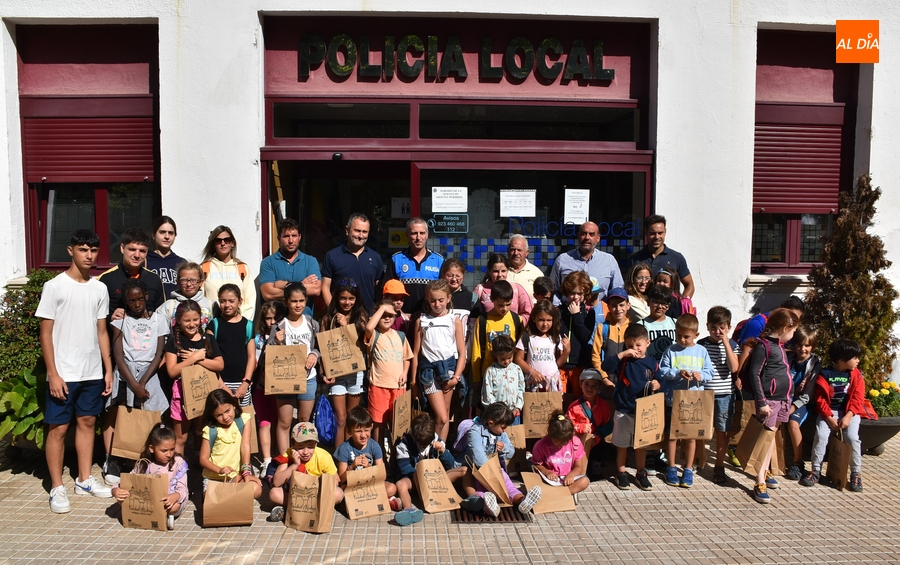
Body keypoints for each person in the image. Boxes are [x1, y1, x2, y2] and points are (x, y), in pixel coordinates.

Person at [37, 229, 114, 513]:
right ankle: (57, 487)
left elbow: (102, 331)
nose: (89, 255)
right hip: (64, 373)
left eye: (93, 250)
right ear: (71, 251)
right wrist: (53, 373)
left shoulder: (99, 288)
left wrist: (107, 369)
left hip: (92, 371)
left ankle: (84, 479)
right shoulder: (54, 286)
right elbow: (46, 334)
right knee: (58, 428)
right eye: (83, 249)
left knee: (88, 423)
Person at [102, 280, 168, 484]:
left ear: (147, 296)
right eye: (132, 300)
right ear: (126, 301)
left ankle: (144, 460)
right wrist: (134, 384)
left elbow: (159, 354)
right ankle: (113, 459)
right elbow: (119, 355)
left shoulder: (159, 320)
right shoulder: (120, 322)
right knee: (121, 413)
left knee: (149, 416)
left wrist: (143, 382)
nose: (137, 303)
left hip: (149, 373)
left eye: (140, 299)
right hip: (125, 374)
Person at [743, 308, 800, 503]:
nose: (793, 336)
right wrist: (762, 402)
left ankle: (764, 469)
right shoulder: (764, 347)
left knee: (771, 438)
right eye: (792, 332)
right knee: (764, 440)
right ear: (784, 328)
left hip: (782, 400)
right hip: (769, 402)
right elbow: (754, 374)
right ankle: (759, 481)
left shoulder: (779, 346)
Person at [800, 338, 866, 492]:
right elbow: (820, 399)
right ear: (842, 359)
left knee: (852, 438)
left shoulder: (856, 375)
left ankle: (856, 473)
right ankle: (815, 470)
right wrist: (829, 418)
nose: (858, 360)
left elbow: (858, 398)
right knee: (821, 436)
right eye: (854, 357)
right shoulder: (825, 374)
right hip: (828, 412)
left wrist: (848, 416)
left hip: (850, 412)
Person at [657, 314, 714, 488]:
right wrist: (676, 373)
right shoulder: (671, 350)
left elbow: (710, 373)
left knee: (690, 437)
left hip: (693, 401)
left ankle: (688, 468)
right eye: (679, 335)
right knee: (672, 436)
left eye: (686, 336)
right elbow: (662, 371)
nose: (682, 339)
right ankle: (671, 467)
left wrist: (700, 376)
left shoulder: (702, 351)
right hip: (673, 401)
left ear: (696, 335)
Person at [457, 402, 542, 517]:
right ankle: (488, 506)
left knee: (509, 486)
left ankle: (522, 501)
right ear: (491, 423)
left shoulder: (500, 432)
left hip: (496, 469)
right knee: (482, 488)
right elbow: (478, 458)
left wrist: (504, 448)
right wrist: (493, 475)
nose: (505, 430)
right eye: (503, 427)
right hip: (477, 471)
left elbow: (511, 452)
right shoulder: (475, 431)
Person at [602, 324, 660, 491]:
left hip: (643, 411)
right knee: (622, 444)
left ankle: (641, 473)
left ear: (647, 343)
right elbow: (606, 366)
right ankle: (621, 472)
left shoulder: (651, 363)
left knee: (641, 445)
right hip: (623, 410)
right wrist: (622, 354)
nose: (634, 349)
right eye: (629, 346)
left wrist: (658, 384)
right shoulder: (623, 361)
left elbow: (658, 379)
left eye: (638, 345)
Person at [164, 300, 225, 457]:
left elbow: (219, 365)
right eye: (187, 320)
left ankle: (202, 466)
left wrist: (198, 358)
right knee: (181, 437)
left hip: (205, 393)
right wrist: (191, 359)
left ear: (201, 319)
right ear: (178, 320)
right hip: (181, 396)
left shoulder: (208, 340)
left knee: (202, 433)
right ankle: (179, 472)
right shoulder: (173, 342)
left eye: (195, 319)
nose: (192, 324)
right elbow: (171, 371)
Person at [268, 283, 321, 454]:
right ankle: (285, 459)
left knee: (304, 420)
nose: (298, 305)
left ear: (306, 300)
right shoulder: (279, 325)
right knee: (285, 422)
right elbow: (269, 356)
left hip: (308, 378)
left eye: (301, 300)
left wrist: (314, 354)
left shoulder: (312, 324)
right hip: (286, 380)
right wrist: (275, 341)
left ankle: (304, 456)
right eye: (293, 301)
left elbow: (319, 346)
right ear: (285, 302)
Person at [410, 279, 466, 440]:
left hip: (448, 371)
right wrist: (413, 383)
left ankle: (439, 455)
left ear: (448, 298)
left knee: (444, 415)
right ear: (428, 299)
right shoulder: (422, 321)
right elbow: (416, 353)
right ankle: (433, 450)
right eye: (433, 300)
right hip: (428, 373)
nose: (437, 304)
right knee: (440, 417)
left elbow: (462, 353)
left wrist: (456, 378)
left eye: (441, 300)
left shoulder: (454, 321)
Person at [111, 425, 188, 530]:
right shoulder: (144, 464)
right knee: (122, 500)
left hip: (169, 501)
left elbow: (183, 489)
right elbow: (127, 480)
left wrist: (175, 496)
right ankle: (152, 515)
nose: (169, 454)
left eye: (172, 449)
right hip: (149, 501)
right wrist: (115, 490)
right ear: (151, 448)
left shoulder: (178, 463)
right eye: (164, 450)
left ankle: (156, 515)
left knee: (174, 507)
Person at [393, 413, 465, 524]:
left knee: (463, 470)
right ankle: (409, 511)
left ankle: (470, 498)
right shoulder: (404, 444)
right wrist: (420, 474)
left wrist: (443, 452)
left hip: (434, 479)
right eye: (422, 444)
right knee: (400, 484)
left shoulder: (435, 440)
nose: (424, 447)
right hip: (414, 480)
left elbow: (450, 465)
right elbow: (405, 469)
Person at [321, 278, 368, 445]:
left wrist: (347, 325)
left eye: (351, 299)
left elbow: (364, 344)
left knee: (351, 418)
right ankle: (339, 456)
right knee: (340, 418)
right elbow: (323, 348)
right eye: (343, 298)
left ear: (356, 299)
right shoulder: (328, 319)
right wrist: (324, 372)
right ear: (336, 298)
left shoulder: (361, 317)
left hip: (355, 372)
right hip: (337, 374)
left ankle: (351, 454)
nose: (347, 302)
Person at [697, 306, 740, 485]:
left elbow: (734, 367)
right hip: (704, 393)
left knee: (722, 431)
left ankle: (719, 465)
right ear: (707, 326)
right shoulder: (701, 344)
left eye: (722, 327)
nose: (718, 332)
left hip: (724, 395)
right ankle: (698, 459)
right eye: (714, 327)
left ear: (729, 327)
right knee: (699, 429)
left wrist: (726, 344)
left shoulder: (733, 345)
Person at [267, 422, 343, 523]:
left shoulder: (323, 456)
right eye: (301, 447)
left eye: (310, 447)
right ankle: (311, 510)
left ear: (316, 444)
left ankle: (291, 510)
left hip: (316, 494)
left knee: (338, 493)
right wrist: (295, 465)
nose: (306, 452)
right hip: (296, 495)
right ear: (293, 445)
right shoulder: (288, 454)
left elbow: (337, 480)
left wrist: (317, 484)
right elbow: (276, 482)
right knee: (274, 494)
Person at [333, 407, 400, 517]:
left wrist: (369, 467)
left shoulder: (374, 446)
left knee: (392, 487)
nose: (363, 435)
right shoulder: (344, 448)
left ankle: (369, 502)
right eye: (358, 431)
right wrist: (352, 466)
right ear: (349, 431)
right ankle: (385, 501)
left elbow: (381, 475)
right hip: (352, 486)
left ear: (371, 427)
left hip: (370, 484)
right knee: (343, 492)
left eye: (366, 430)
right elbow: (341, 478)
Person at [198, 390, 263, 500]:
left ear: (234, 405)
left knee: (256, 490)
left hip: (234, 476)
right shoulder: (210, 430)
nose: (225, 417)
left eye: (227, 411)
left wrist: (246, 472)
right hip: (213, 477)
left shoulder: (244, 420)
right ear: (212, 415)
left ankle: (229, 500)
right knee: (212, 499)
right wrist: (219, 470)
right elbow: (203, 459)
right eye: (219, 415)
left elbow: (245, 446)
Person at [364, 300, 413, 445]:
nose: (386, 318)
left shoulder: (400, 335)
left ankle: (395, 458)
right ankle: (379, 457)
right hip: (378, 386)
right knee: (378, 423)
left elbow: (407, 357)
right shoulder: (374, 335)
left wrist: (405, 372)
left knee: (398, 424)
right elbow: (368, 327)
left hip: (398, 387)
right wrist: (383, 307)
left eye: (390, 315)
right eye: (383, 315)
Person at [470, 281, 526, 405]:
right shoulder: (483, 320)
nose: (504, 309)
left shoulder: (517, 320)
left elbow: (520, 350)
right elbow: (476, 350)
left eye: (508, 304)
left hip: (511, 378)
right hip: (489, 378)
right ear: (492, 300)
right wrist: (476, 379)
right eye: (501, 305)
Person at [321, 213, 384, 314]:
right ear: (347, 230)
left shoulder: (375, 257)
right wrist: (334, 313)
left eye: (364, 232)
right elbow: (325, 287)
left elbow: (379, 291)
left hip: (368, 318)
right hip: (341, 318)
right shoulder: (332, 256)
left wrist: (376, 314)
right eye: (357, 231)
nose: (360, 236)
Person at [98, 228, 165, 321]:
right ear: (122, 248)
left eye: (142, 251)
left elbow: (162, 315)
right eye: (132, 249)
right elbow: (97, 317)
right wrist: (111, 317)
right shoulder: (106, 279)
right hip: (116, 334)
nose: (137, 255)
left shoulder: (154, 279)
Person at [251, 300, 286, 477]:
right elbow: (256, 362)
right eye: (268, 319)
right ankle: (266, 460)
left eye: (276, 318)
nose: (272, 323)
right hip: (261, 386)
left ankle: (277, 456)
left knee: (279, 422)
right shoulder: (258, 339)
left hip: (281, 387)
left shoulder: (289, 335)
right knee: (264, 422)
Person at [549, 221, 623, 303]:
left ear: (598, 238)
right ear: (578, 236)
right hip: (568, 312)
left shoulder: (609, 260)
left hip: (598, 313)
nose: (587, 237)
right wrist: (558, 309)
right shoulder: (562, 260)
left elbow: (618, 291)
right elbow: (554, 289)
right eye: (583, 234)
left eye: (591, 234)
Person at [259, 218, 319, 316]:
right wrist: (300, 285)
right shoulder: (268, 262)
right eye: (286, 236)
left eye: (294, 236)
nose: (291, 240)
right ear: (279, 238)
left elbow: (316, 289)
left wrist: (282, 285)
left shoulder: (310, 261)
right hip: (277, 321)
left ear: (299, 237)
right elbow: (268, 294)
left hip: (305, 322)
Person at [784, 326, 822, 481]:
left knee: (793, 423)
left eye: (807, 345)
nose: (802, 349)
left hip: (804, 402)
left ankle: (798, 462)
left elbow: (809, 394)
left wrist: (793, 406)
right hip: (786, 398)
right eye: (799, 345)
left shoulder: (815, 366)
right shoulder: (789, 359)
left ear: (812, 346)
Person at [207, 284, 256, 406]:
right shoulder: (214, 325)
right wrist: (222, 385)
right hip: (220, 381)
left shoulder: (248, 325)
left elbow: (251, 356)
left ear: (240, 301)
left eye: (231, 301)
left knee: (243, 418)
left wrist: (246, 383)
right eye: (223, 301)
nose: (227, 305)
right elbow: (210, 356)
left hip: (242, 382)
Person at [628, 215, 695, 299]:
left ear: (665, 232)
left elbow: (689, 285)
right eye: (652, 233)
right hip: (642, 309)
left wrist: (684, 302)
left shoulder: (677, 258)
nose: (657, 237)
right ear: (646, 232)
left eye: (660, 233)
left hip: (667, 309)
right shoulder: (635, 258)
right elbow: (629, 286)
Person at [389, 217, 444, 315]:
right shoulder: (396, 259)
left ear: (427, 235)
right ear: (407, 235)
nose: (418, 238)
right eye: (414, 233)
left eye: (422, 233)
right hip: (402, 318)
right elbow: (388, 292)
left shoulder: (438, 260)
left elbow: (444, 292)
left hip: (430, 318)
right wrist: (399, 313)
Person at [200, 226, 257, 320]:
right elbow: (200, 299)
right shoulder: (204, 268)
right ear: (213, 244)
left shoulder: (242, 268)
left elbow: (250, 299)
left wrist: (244, 323)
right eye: (218, 240)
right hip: (212, 324)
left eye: (227, 240)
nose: (223, 243)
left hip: (237, 324)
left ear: (232, 243)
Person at [531, 411, 591, 496]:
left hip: (567, 479)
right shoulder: (541, 445)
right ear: (550, 434)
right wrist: (547, 472)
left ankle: (557, 495)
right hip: (550, 480)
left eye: (564, 443)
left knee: (585, 481)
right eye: (556, 442)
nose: (560, 445)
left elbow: (579, 467)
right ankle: (561, 494)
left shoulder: (575, 443)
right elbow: (537, 465)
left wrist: (571, 475)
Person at [515, 300, 569, 392]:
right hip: (533, 383)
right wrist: (532, 372)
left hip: (552, 383)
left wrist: (567, 352)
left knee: (552, 406)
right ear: (533, 318)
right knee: (533, 406)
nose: (545, 324)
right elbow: (518, 359)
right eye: (541, 320)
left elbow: (557, 363)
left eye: (549, 320)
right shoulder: (527, 337)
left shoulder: (555, 337)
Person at [565, 369, 612, 470]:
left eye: (594, 385)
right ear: (580, 384)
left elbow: (608, 427)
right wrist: (580, 427)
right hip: (577, 442)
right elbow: (566, 426)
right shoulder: (574, 406)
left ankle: (595, 465)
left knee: (609, 452)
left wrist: (597, 439)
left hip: (595, 441)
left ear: (599, 387)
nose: (590, 389)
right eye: (586, 384)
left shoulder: (604, 405)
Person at [558, 271, 595, 393]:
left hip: (579, 365)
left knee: (578, 399)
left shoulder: (589, 312)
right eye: (572, 293)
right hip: (560, 365)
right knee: (560, 400)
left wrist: (576, 315)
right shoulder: (559, 311)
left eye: (579, 293)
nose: (575, 297)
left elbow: (585, 337)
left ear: (585, 294)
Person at [590, 288, 632, 394]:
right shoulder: (603, 328)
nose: (618, 309)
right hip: (606, 384)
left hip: (627, 383)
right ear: (608, 307)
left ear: (628, 305)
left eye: (622, 305)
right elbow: (596, 356)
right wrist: (604, 378)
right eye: (613, 305)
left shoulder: (633, 328)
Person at [473, 253, 532, 323]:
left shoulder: (516, 289)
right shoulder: (481, 290)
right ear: (489, 271)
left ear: (508, 270)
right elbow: (473, 317)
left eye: (503, 271)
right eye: (496, 271)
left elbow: (528, 312)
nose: (500, 275)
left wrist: (517, 325)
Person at [481, 335, 525, 423]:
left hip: (514, 414)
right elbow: (487, 393)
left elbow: (521, 389)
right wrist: (498, 411)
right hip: (497, 416)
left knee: (514, 436)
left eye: (509, 358)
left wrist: (517, 408)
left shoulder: (517, 369)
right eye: (502, 359)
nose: (506, 361)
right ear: (495, 355)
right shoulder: (491, 371)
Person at [156, 261, 212, 330]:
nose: (189, 284)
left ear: (201, 282)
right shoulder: (168, 307)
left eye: (193, 280)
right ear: (178, 282)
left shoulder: (211, 306)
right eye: (184, 280)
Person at [737, 296, 805, 345]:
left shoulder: (791, 330)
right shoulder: (756, 324)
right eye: (791, 318)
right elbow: (745, 355)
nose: (793, 323)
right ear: (780, 310)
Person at [145, 216, 184, 300]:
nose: (167, 236)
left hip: (175, 311)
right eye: (162, 232)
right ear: (153, 235)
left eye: (170, 233)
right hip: (151, 311)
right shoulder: (144, 260)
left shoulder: (181, 263)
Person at [638, 286, 677, 361]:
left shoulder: (676, 323)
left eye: (664, 303)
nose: (659, 306)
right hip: (650, 369)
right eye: (656, 302)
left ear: (668, 306)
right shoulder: (640, 325)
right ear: (648, 302)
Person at [441, 258, 476, 342]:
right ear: (443, 274)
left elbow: (474, 326)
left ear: (463, 275)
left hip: (464, 347)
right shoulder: (437, 297)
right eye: (449, 275)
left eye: (458, 275)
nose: (454, 279)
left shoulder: (472, 298)